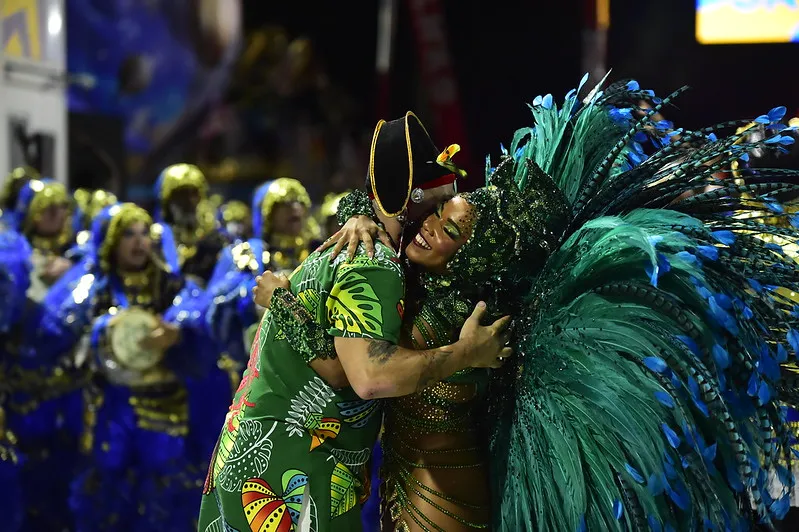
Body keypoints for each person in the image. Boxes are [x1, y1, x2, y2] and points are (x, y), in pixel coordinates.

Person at [270, 76, 799, 530]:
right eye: (431, 215)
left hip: (443, 492)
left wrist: (283, 305)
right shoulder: (429, 282)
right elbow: (394, 202)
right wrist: (362, 211)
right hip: (409, 477)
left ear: (473, 256)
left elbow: (358, 374)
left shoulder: (461, 317)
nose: (427, 227)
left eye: (448, 229)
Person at [197, 116, 511, 532]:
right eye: (435, 204)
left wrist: (282, 301)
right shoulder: (374, 263)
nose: (435, 217)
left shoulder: (369, 251)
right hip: (294, 473)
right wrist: (466, 353)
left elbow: (336, 366)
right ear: (409, 196)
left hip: (256, 457)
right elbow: (369, 376)